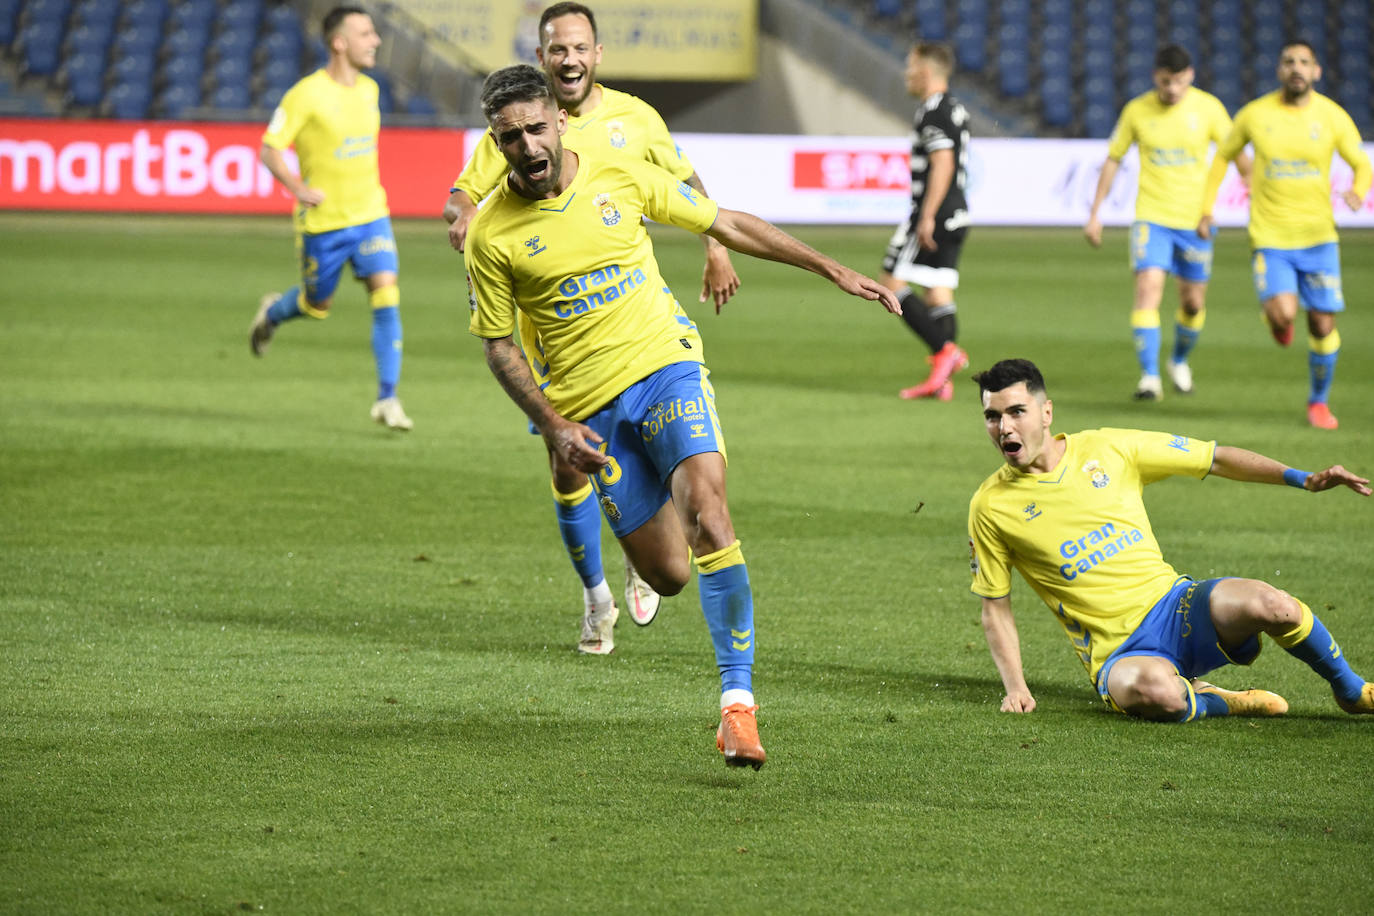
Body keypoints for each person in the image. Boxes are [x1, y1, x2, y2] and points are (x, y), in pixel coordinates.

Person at [465, 64, 900, 767]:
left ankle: (738, 707)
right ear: (497, 143)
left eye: (537, 128)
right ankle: (637, 575)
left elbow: (721, 219)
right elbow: (497, 345)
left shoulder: (618, 170)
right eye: (510, 138)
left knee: (710, 514)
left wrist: (831, 269)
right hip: (586, 407)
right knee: (669, 573)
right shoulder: (493, 237)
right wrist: (552, 425)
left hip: (664, 364)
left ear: (560, 122)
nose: (528, 147)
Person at [444, 2, 741, 648]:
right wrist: (463, 220)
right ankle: (595, 593)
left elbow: (685, 180)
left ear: (596, 53)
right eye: (557, 49)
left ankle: (640, 541)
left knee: (644, 468)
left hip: (635, 331)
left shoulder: (636, 120)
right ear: (543, 58)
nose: (569, 58)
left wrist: (715, 246)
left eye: (579, 47)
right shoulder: (520, 124)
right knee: (565, 464)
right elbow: (464, 193)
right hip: (548, 339)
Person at [968, 357, 1374, 722]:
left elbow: (1213, 457)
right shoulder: (991, 506)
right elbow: (995, 606)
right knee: (1159, 693)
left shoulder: (1110, 447)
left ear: (1046, 412)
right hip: (1120, 654)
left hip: (1177, 608)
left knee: (1275, 606)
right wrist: (1016, 687)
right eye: (992, 416)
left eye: (1016, 412)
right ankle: (1221, 701)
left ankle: (1351, 690)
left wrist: (1302, 478)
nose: (1004, 428)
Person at [249, 6, 411, 431]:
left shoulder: (371, 90)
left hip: (371, 214)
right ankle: (272, 314)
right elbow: (270, 148)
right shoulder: (306, 94)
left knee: (386, 295)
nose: (375, 40)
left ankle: (387, 397)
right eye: (365, 33)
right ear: (339, 42)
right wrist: (298, 189)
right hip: (325, 224)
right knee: (316, 304)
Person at [1199, 39, 1371, 430]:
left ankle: (1318, 403)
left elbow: (1362, 164)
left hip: (1319, 237)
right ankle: (1278, 319)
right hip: (1270, 237)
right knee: (1283, 315)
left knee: (1323, 325)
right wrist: (1207, 209)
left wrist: (1359, 193)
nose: (1296, 68)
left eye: (1304, 62)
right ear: (1279, 70)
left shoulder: (1332, 117)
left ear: (1316, 72)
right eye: (1289, 61)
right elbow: (1223, 157)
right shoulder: (1255, 115)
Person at [1084, 44, 1249, 401]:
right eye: (1164, 81)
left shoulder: (1208, 109)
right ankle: (1149, 378)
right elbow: (1113, 159)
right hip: (1151, 218)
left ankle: (1178, 361)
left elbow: (1237, 153)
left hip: (1195, 222)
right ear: (1154, 77)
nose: (1171, 89)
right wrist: (1095, 213)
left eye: (1177, 81)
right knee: (1147, 291)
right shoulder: (1137, 110)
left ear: (1189, 75)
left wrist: (1254, 191)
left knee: (1192, 304)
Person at [880, 41, 972, 402]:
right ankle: (942, 380)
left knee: (889, 280)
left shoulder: (933, 111)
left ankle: (945, 352)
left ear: (926, 71)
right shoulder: (955, 108)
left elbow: (943, 163)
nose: (906, 73)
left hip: (934, 212)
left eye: (910, 66)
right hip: (958, 212)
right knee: (937, 292)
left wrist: (928, 215)